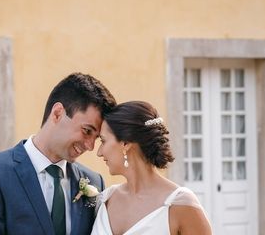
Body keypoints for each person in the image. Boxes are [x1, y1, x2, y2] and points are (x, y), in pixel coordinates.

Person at [0, 72, 117, 235]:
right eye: (87, 131)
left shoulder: (94, 182)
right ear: (57, 113)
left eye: (97, 138)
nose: (90, 146)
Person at [91, 101, 212, 235]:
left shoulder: (179, 203)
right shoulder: (107, 199)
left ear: (125, 143)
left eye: (103, 141)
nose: (99, 152)